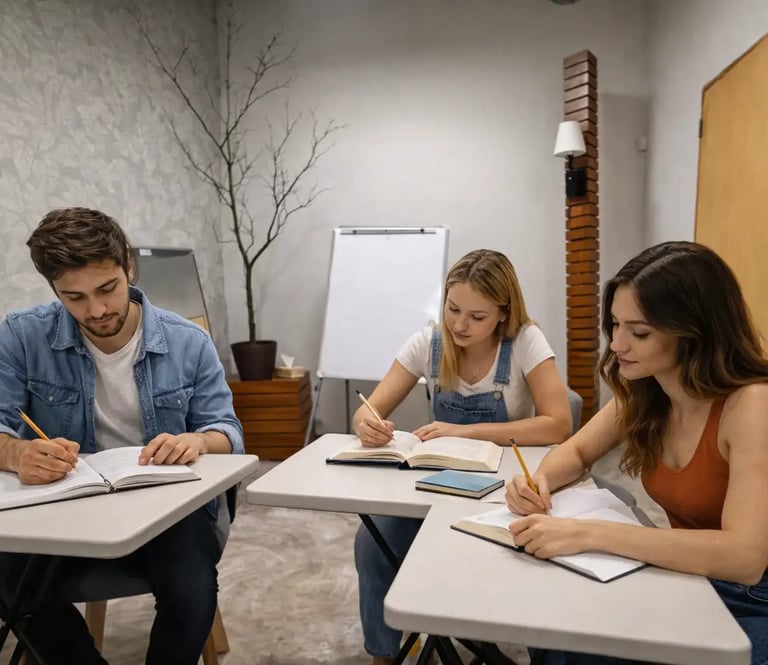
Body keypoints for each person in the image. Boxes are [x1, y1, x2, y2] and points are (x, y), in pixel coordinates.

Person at [505, 241, 768, 665]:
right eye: (615, 325)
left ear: (694, 331)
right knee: (560, 626)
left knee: (583, 651)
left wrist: (590, 534)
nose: (618, 344)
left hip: (753, 598)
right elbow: (575, 450)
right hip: (691, 574)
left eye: (639, 332)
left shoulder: (752, 404)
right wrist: (540, 481)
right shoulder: (648, 390)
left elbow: (745, 559)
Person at [0, 207, 244, 665]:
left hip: (164, 510)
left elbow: (227, 431)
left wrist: (197, 441)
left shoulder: (188, 341)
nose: (96, 311)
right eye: (74, 297)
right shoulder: (21, 336)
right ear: (54, 289)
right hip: (63, 510)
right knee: (10, 579)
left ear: (128, 267)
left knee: (192, 583)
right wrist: (17, 453)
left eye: (107, 289)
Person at [353, 249, 572, 665]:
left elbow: (559, 424)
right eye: (453, 309)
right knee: (371, 543)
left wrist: (467, 431)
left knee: (545, 557)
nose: (459, 324)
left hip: (506, 492)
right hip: (436, 487)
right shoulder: (429, 343)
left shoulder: (525, 341)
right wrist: (367, 422)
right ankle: (385, 656)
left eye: (477, 316)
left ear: (503, 314)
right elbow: (369, 408)